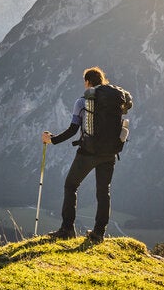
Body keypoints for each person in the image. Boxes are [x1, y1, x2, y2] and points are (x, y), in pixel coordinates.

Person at [42, 66, 118, 244]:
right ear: (103, 81)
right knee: (103, 192)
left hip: (88, 152)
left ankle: (67, 229)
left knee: (70, 186)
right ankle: (99, 233)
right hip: (110, 153)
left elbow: (72, 130)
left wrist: (52, 140)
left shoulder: (82, 102)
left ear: (87, 82)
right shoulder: (114, 100)